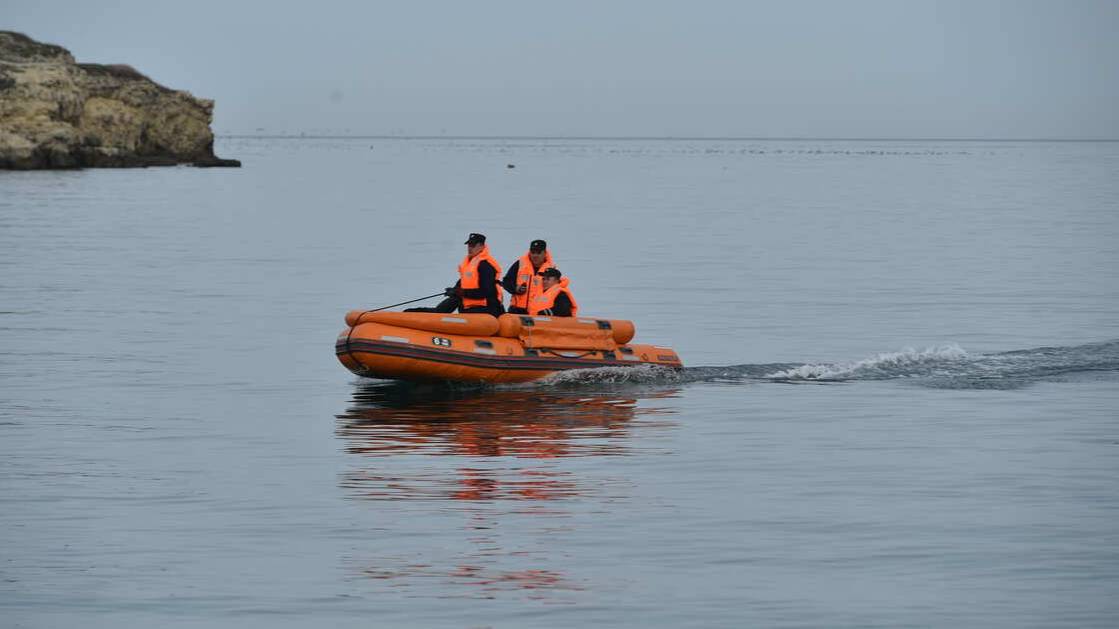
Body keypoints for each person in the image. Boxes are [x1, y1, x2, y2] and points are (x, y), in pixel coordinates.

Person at [407, 233, 505, 316]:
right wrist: (454, 291)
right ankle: (410, 314)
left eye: (473, 245)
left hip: (487, 309)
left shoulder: (485, 265)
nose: (469, 248)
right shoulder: (469, 265)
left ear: (481, 246)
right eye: (469, 245)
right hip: (469, 307)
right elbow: (461, 285)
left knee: (455, 301)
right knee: (445, 306)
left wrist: (461, 292)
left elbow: (485, 291)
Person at [502, 239, 555, 314]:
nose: (535, 255)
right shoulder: (520, 264)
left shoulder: (551, 269)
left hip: (538, 313)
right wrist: (515, 288)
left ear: (545, 253)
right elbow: (506, 282)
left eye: (538, 253)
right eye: (533, 252)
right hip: (517, 311)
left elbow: (555, 292)